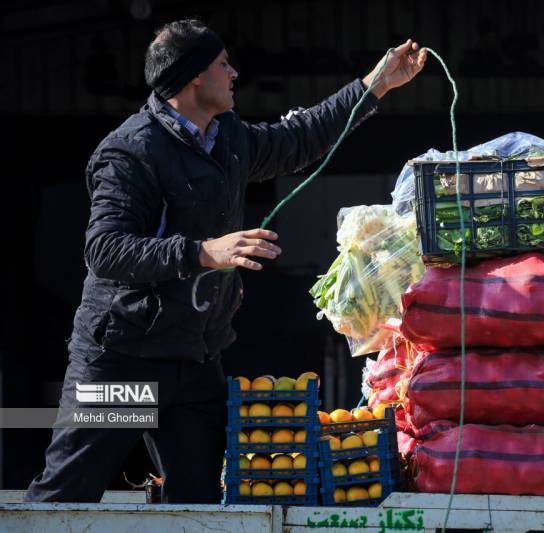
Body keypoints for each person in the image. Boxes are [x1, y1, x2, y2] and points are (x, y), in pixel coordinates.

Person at [25, 19, 426, 503]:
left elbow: (300, 137)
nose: (234, 73)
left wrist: (375, 84)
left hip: (193, 364)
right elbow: (105, 249)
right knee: (68, 491)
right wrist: (203, 252)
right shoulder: (130, 152)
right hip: (122, 364)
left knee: (198, 500)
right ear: (195, 76)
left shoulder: (227, 138)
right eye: (223, 64)